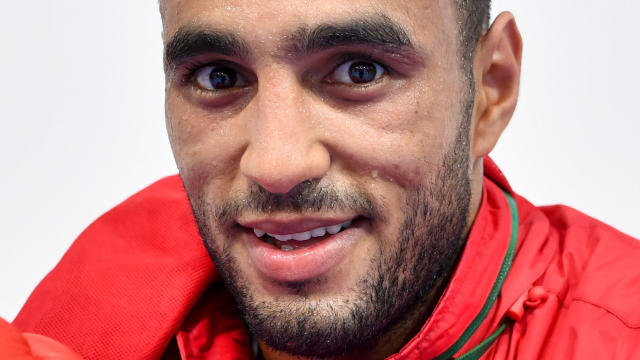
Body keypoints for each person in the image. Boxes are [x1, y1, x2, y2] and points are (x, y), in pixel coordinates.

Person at [3, 0, 640, 359]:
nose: (275, 166)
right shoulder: (99, 302)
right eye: (219, 77)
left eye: (360, 71)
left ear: (490, 92)